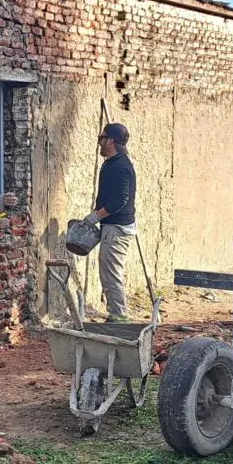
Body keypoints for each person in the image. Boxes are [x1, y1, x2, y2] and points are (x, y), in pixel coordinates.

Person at [91, 123, 136, 322]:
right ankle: (116, 313)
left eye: (102, 137)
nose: (99, 141)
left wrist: (96, 216)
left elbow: (120, 200)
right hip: (112, 226)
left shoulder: (121, 167)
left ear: (110, 140)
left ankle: (119, 316)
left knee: (111, 272)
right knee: (108, 268)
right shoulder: (111, 163)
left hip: (118, 228)